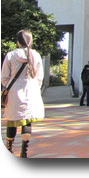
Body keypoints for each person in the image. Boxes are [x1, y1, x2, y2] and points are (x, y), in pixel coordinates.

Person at [1, 30, 45, 158]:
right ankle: (24, 151)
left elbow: (4, 77)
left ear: (18, 41)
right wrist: (34, 87)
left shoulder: (11, 55)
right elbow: (39, 77)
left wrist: (8, 86)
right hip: (31, 91)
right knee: (27, 121)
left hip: (15, 91)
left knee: (12, 120)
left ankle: (9, 148)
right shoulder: (36, 55)